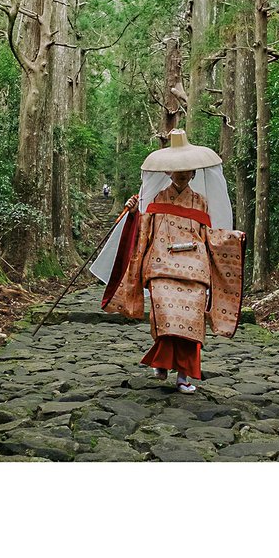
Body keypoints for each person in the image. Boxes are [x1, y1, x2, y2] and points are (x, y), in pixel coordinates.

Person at [91, 129, 245, 393]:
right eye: (177, 170)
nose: (183, 174)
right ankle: (162, 361)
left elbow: (208, 236)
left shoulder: (201, 202)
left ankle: (183, 375)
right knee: (166, 316)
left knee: (192, 320)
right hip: (161, 266)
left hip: (195, 269)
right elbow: (142, 230)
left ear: (194, 173)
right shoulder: (157, 198)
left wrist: (232, 238)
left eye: (187, 170)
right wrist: (132, 213)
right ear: (168, 173)